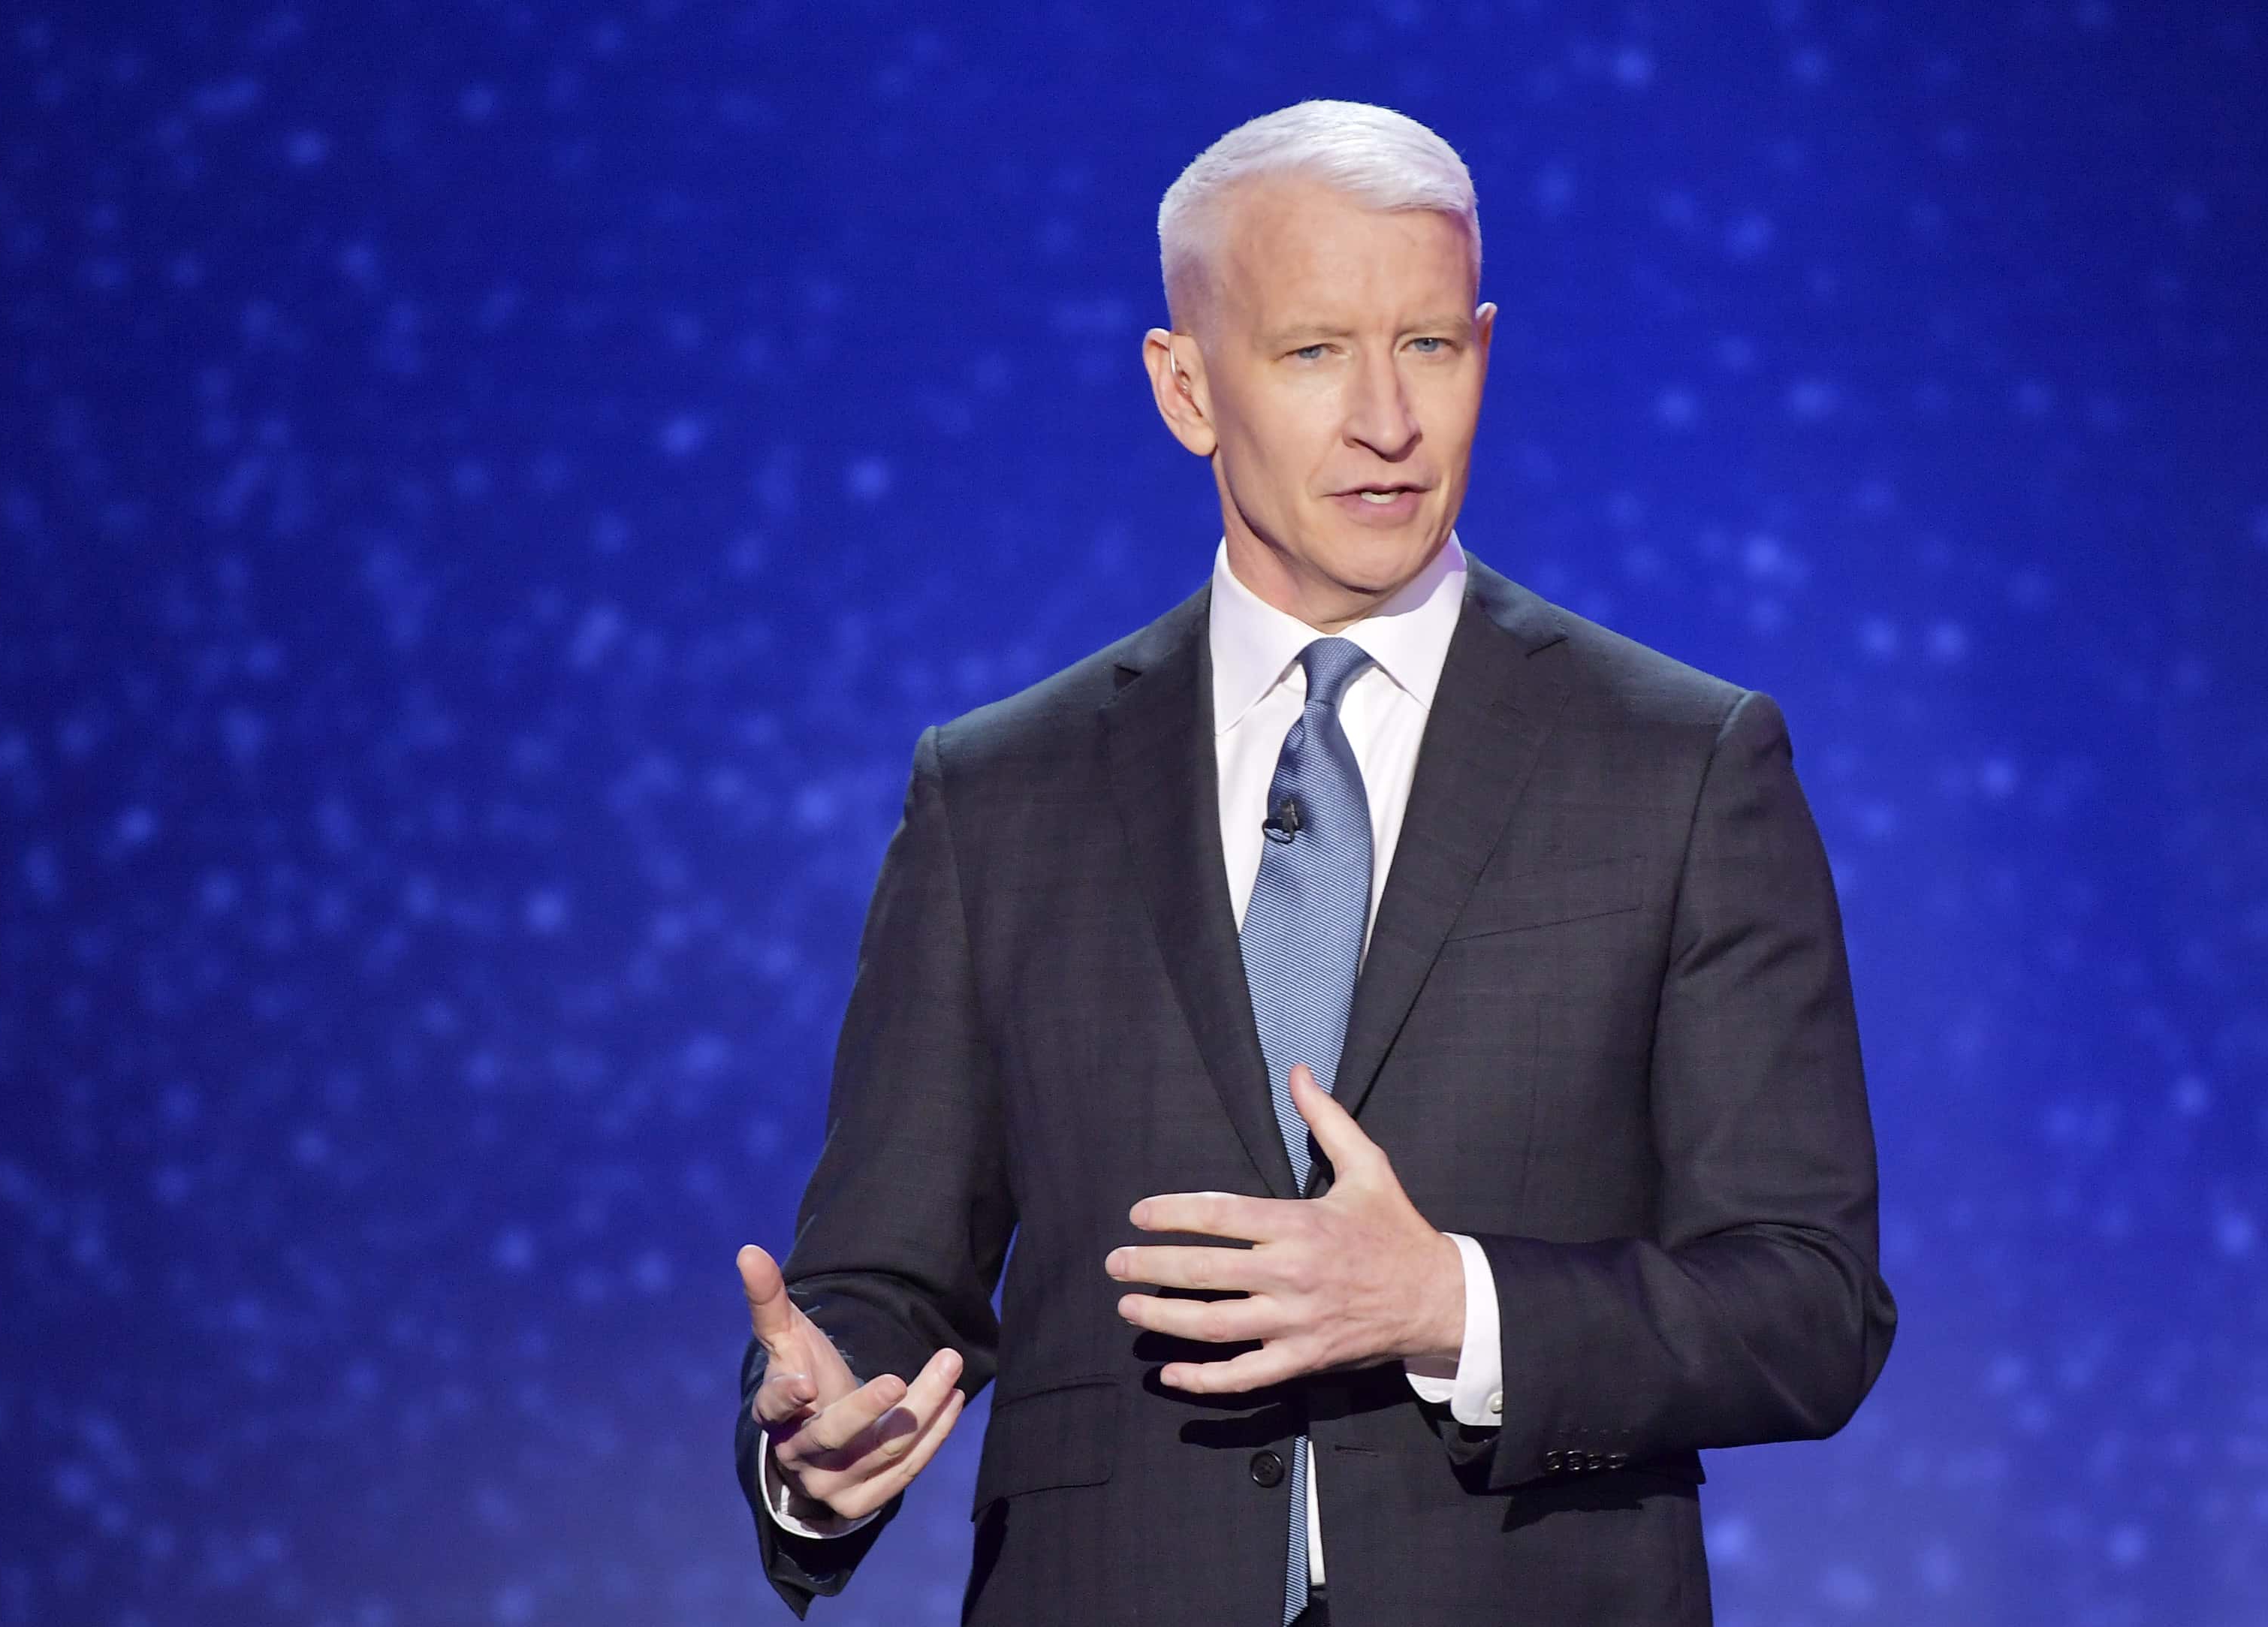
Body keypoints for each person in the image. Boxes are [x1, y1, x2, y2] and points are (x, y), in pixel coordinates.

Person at [731, 99, 1896, 1625]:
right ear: (1185, 388)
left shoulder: (1682, 764)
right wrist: (817, 1443)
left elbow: (1806, 1304)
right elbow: (886, 1276)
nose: (1387, 421)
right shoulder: (999, 794)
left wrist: (1447, 1303)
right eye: (1310, 353)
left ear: (1485, 348)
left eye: (1428, 346)